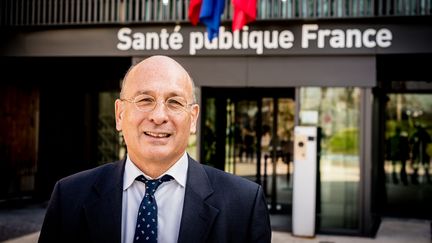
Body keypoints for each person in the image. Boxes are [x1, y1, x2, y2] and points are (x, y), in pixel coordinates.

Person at [38, 55, 271, 243]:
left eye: (175, 102)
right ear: (119, 114)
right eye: (145, 100)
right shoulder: (68, 197)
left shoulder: (244, 205)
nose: (159, 116)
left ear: (193, 118)